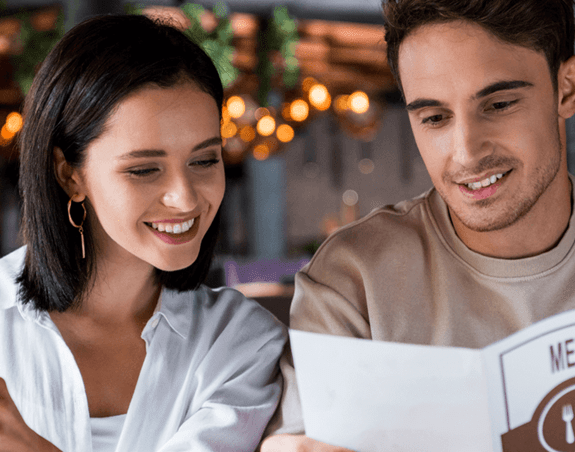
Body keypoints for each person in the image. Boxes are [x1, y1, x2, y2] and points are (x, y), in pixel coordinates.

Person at [261, 0, 575, 450]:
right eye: (434, 118)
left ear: (566, 89)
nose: (466, 152)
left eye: (499, 104)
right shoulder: (355, 280)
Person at [0, 14, 287, 452]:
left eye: (205, 161)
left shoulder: (240, 342)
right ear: (68, 174)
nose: (185, 198)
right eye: (144, 169)